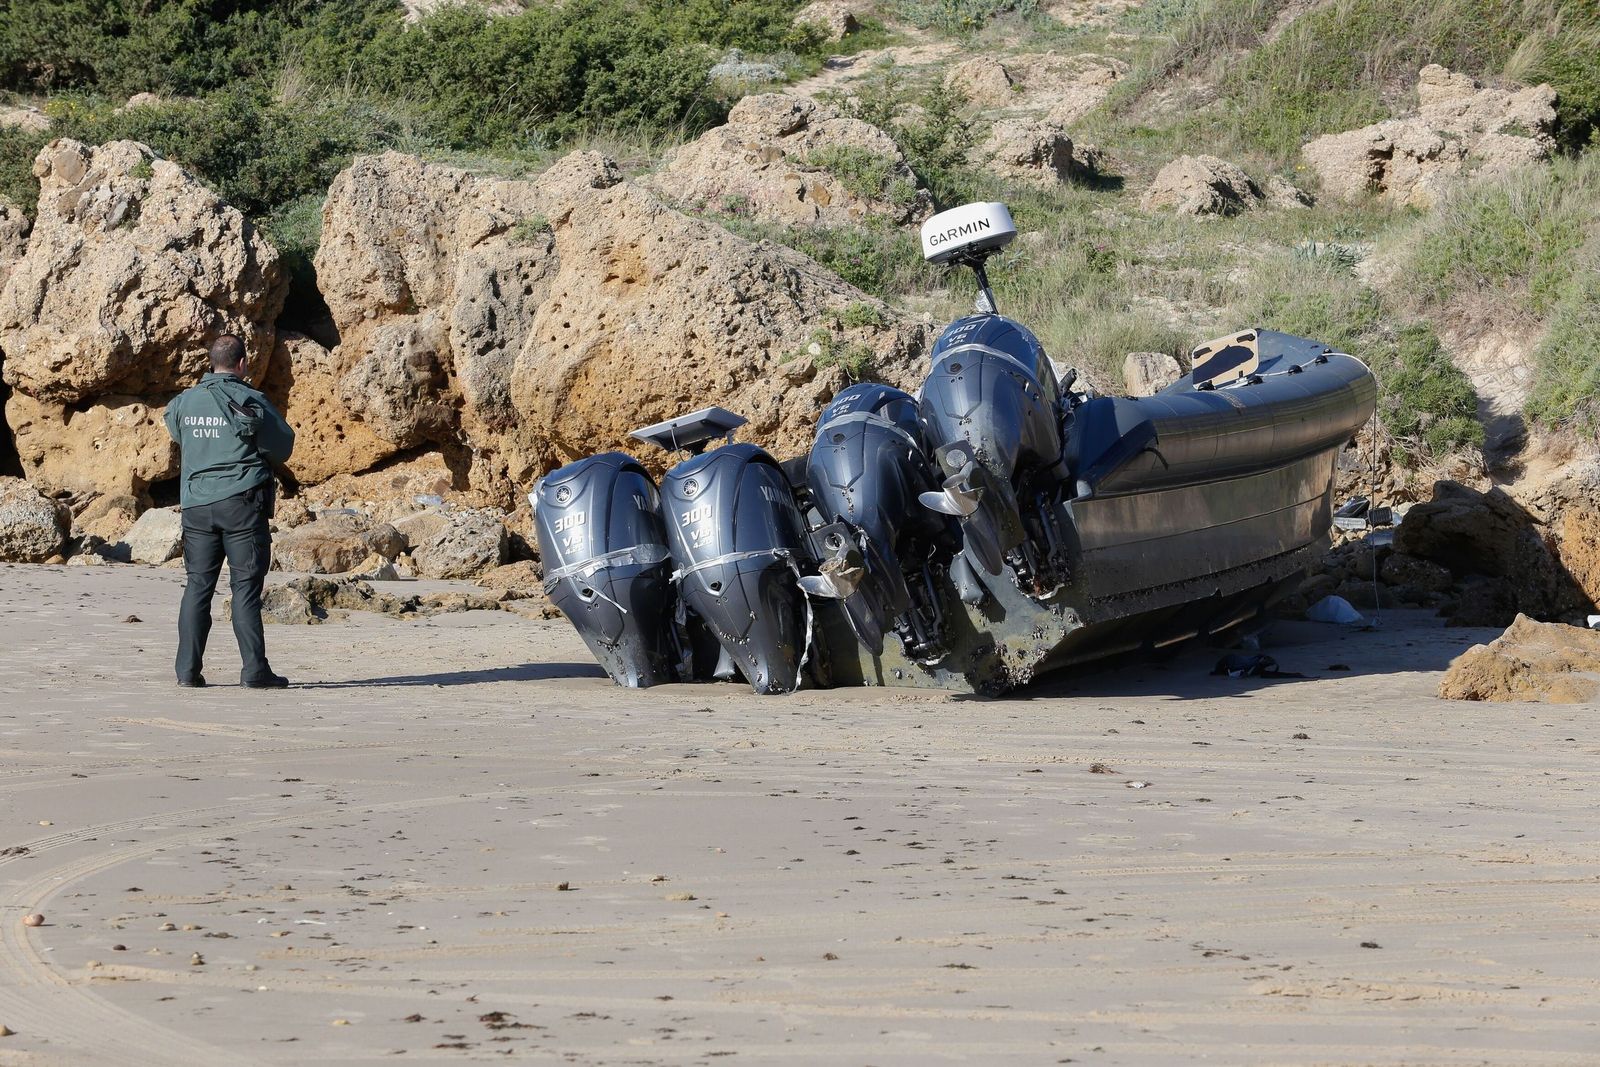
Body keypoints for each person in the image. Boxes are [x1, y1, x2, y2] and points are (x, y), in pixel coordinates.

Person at [163, 334, 296, 688]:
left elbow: (177, 433)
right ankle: (254, 671)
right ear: (242, 363)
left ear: (211, 363)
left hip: (196, 506)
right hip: (241, 505)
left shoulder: (183, 403)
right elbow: (282, 447)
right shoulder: (251, 398)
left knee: (197, 587)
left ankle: (187, 672)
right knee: (245, 589)